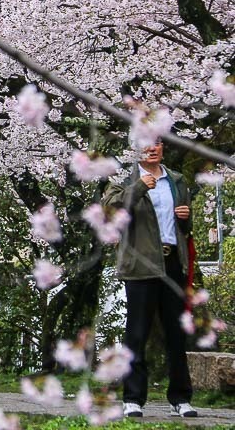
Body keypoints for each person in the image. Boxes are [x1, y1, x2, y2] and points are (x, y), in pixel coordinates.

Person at [103, 140, 196, 418]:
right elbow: (111, 207)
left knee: (176, 333)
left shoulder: (175, 180)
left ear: (162, 147)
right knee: (137, 332)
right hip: (141, 263)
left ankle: (180, 398)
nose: (151, 148)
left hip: (172, 262)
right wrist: (141, 186)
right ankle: (133, 397)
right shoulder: (124, 178)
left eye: (156, 143)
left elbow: (184, 227)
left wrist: (185, 218)